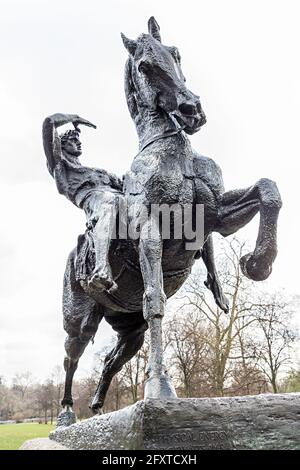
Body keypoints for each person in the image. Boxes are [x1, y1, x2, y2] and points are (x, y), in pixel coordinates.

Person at [42, 113, 122, 292]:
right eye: (73, 140)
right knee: (108, 202)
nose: (78, 143)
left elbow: (125, 183)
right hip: (94, 200)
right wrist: (73, 117)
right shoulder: (60, 165)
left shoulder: (98, 171)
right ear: (61, 146)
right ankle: (101, 270)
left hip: (120, 197)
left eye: (78, 140)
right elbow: (49, 123)